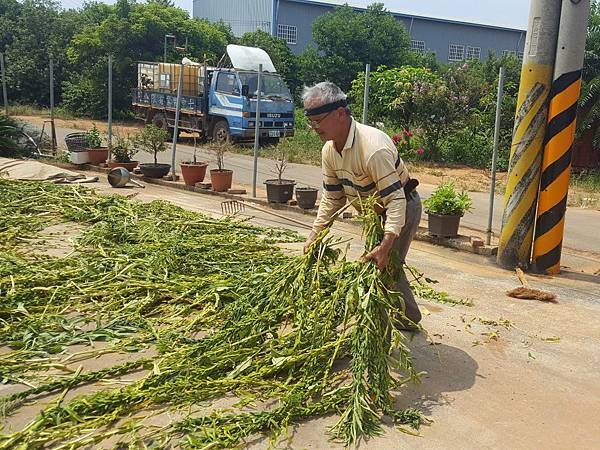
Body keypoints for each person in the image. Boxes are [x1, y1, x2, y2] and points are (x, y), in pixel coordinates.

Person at [302, 81, 422, 328]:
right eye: (310, 121)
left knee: (382, 265)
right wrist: (315, 234)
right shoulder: (329, 151)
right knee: (385, 264)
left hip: (402, 207)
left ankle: (380, 332)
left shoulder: (372, 147)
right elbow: (333, 198)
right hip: (375, 214)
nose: (314, 128)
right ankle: (408, 316)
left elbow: (395, 200)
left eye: (318, 120)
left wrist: (387, 241)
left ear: (340, 114)